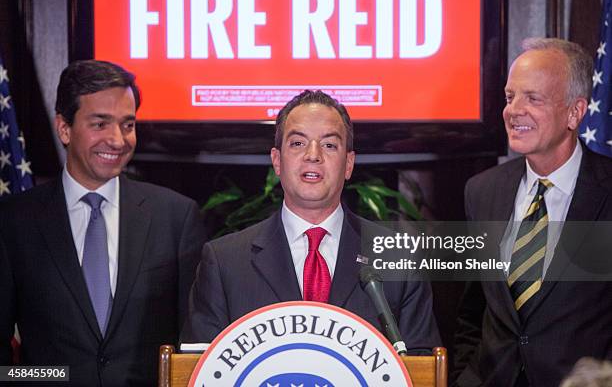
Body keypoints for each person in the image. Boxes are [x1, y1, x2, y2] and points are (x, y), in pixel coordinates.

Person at [181, 90, 441, 352]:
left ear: (349, 164)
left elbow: (421, 366)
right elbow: (198, 368)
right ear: (277, 161)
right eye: (298, 143)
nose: (313, 155)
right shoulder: (225, 261)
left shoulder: (398, 260)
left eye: (329, 145)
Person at [0, 60, 206, 386]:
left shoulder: (176, 217)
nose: (117, 140)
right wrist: (50, 379)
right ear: (64, 128)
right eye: (100, 124)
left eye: (128, 124)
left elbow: (193, 349)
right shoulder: (13, 222)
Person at [453, 38, 612, 386]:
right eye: (511, 97)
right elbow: (472, 314)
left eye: (533, 98)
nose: (514, 110)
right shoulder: (481, 191)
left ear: (575, 112)